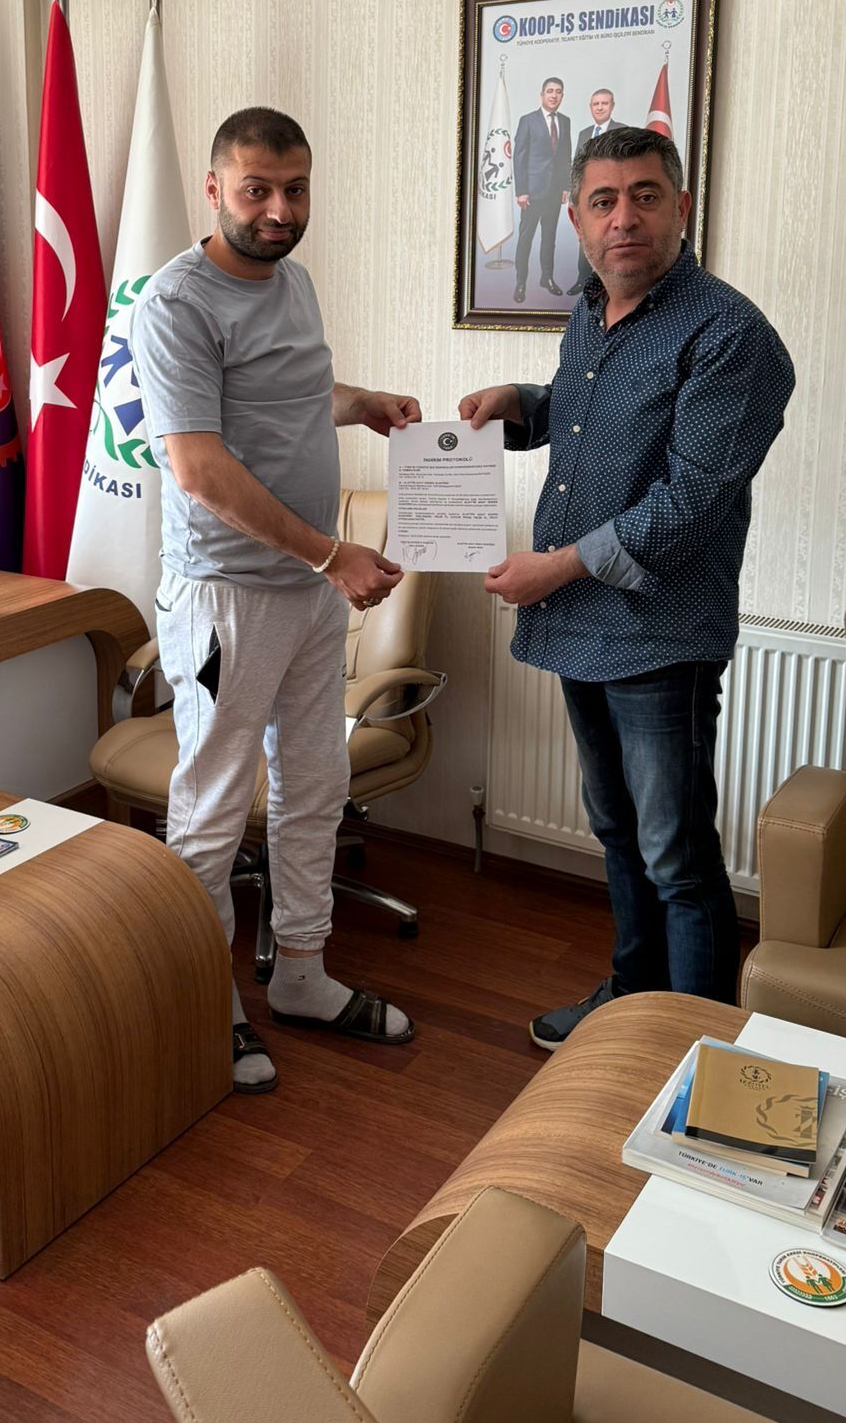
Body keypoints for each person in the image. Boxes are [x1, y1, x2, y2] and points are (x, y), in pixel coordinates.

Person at [459, 126, 794, 1046]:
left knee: (675, 854)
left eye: (645, 196)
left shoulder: (731, 335)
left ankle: (697, 1050)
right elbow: (590, 421)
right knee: (616, 831)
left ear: (681, 207)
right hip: (579, 622)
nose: (624, 219)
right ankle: (633, 1000)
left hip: (658, 633)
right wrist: (521, 406)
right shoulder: (589, 308)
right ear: (574, 217)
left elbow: (690, 501)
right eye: (603, 202)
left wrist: (555, 566)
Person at [133, 106, 420, 1093]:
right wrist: (331, 554)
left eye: (295, 189)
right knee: (213, 804)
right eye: (257, 189)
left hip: (305, 591)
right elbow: (199, 466)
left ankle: (301, 974)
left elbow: (286, 395)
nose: (279, 210)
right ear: (215, 187)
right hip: (227, 598)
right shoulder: (176, 304)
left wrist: (361, 402)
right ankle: (200, 1002)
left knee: (314, 784)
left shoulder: (292, 281)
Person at [511, 77, 572, 301]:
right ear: (542, 95)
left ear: (562, 96)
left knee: (549, 239)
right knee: (525, 239)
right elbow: (519, 157)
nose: (554, 95)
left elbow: (566, 155)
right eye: (550, 91)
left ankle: (547, 278)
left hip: (554, 194)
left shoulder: (565, 121)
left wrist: (566, 186)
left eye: (558, 91)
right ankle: (520, 283)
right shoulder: (528, 120)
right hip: (532, 194)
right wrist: (521, 191)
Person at [571, 87, 616, 290]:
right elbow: (577, 167)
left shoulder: (621, 130)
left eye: (604, 103)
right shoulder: (584, 133)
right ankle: (582, 281)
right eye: (596, 104)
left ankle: (606, 286)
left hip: (612, 199)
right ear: (590, 107)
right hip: (589, 198)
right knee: (586, 239)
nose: (599, 108)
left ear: (612, 106)